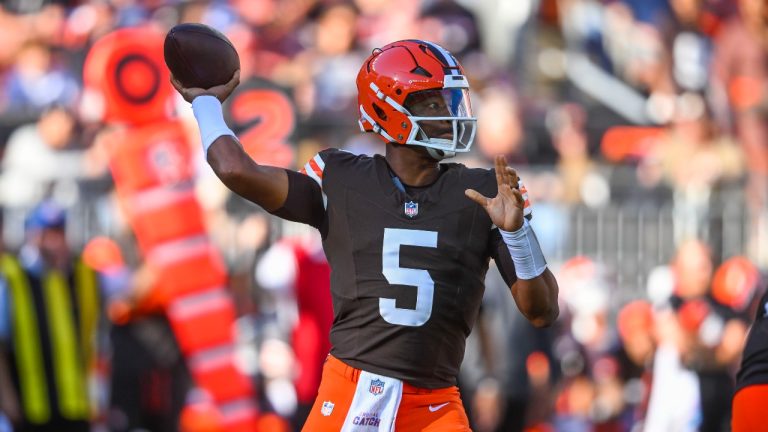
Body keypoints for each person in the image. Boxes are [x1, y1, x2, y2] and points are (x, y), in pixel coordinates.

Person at [171, 39, 559, 431]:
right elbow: (237, 170)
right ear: (388, 108)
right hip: (350, 390)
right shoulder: (341, 179)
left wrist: (518, 234)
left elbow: (542, 311)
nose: (449, 114)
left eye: (449, 101)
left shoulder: (483, 192)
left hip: (434, 403)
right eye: (432, 103)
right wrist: (205, 104)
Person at [0, 200, 101, 432]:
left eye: (59, 233)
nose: (55, 242)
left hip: (77, 406)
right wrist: (8, 400)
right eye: (47, 234)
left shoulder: (83, 274)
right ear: (33, 235)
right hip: (32, 409)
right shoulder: (12, 277)